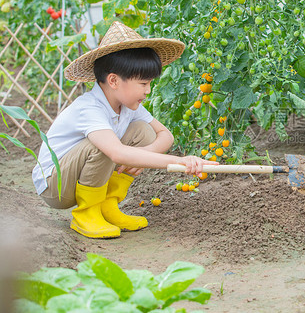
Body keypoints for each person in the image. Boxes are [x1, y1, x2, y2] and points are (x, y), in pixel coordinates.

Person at [32, 21, 218, 238]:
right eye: (143, 84)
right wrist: (181, 162)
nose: (148, 91)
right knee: (101, 146)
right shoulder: (90, 108)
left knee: (143, 132)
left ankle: (107, 206)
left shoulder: (127, 106)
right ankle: (86, 213)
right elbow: (116, 153)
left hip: (78, 176)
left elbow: (165, 135)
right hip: (56, 186)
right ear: (113, 81)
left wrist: (138, 157)